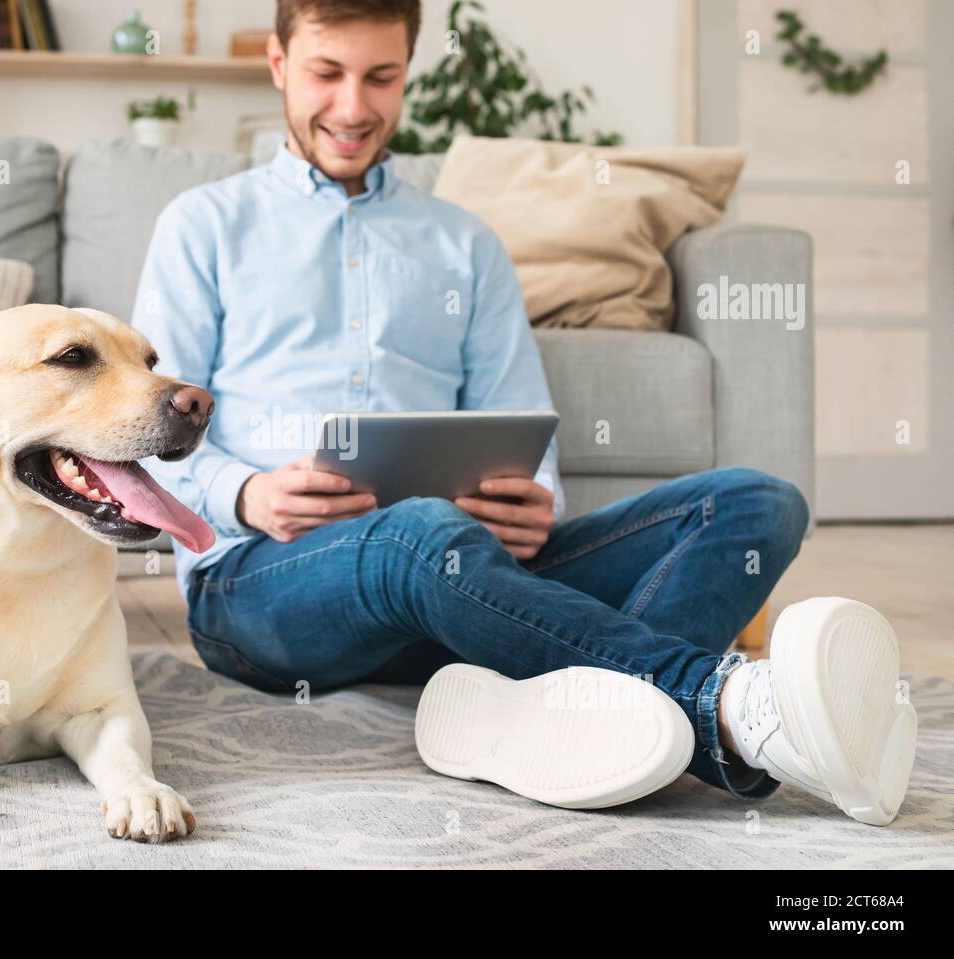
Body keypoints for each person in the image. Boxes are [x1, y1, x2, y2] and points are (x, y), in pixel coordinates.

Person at [131, 0, 916, 825]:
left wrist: (533, 499)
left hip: (465, 580)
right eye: (328, 73)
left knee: (759, 502)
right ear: (279, 62)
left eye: (382, 76)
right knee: (418, 533)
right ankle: (730, 708)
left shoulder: (464, 243)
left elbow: (519, 418)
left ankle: (553, 723)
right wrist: (250, 493)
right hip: (260, 588)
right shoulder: (203, 227)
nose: (355, 106)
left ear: (408, 73)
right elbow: (149, 440)